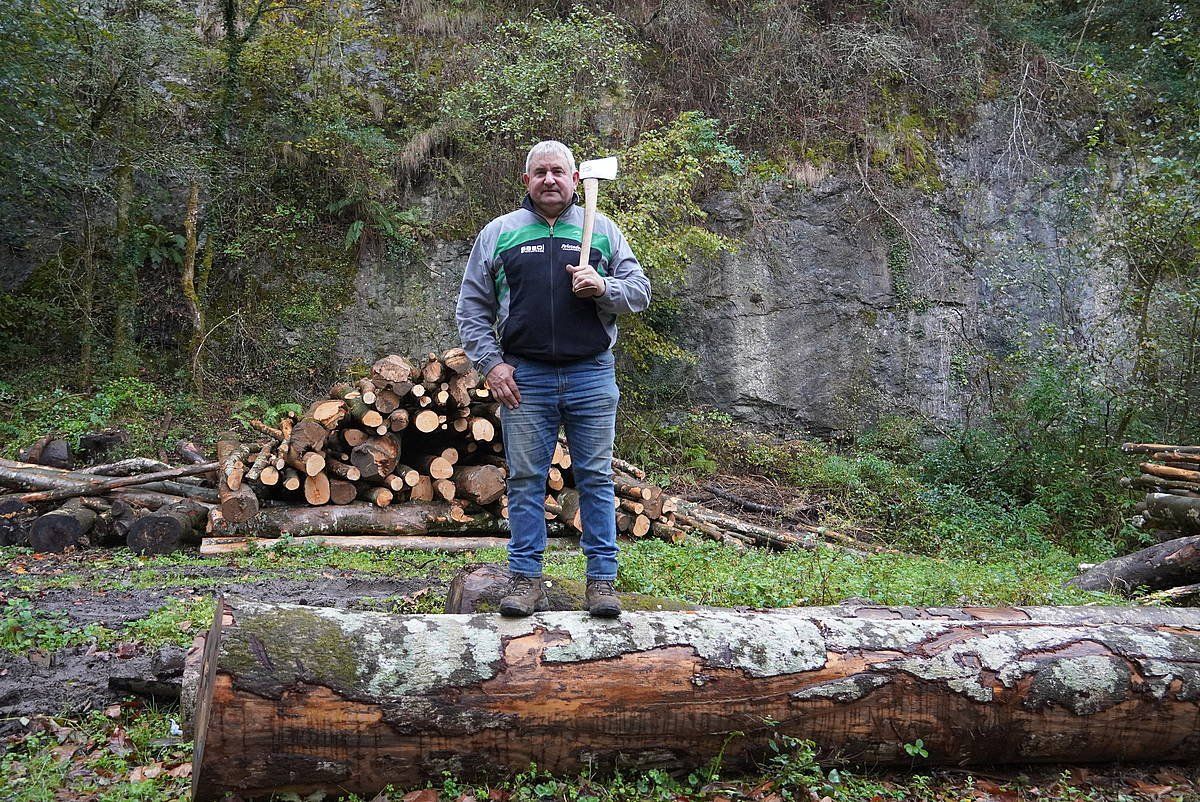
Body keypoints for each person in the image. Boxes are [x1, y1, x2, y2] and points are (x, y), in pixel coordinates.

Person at [456, 140, 651, 617]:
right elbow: (472, 308)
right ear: (526, 181)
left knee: (595, 479)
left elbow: (639, 292)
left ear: (575, 178)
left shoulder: (601, 230)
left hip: (591, 373)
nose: (549, 180)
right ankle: (525, 581)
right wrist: (492, 364)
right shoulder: (500, 233)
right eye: (539, 172)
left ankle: (601, 583)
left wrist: (603, 287)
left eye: (558, 172)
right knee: (525, 480)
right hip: (526, 376)